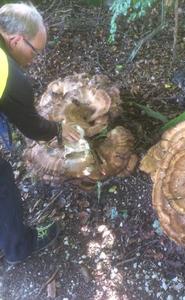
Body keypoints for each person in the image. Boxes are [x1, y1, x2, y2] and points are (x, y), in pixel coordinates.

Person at [0, 2, 80, 264]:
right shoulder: (8, 75)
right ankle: (18, 247)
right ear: (15, 40)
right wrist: (58, 129)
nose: (36, 59)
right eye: (35, 51)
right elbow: (33, 128)